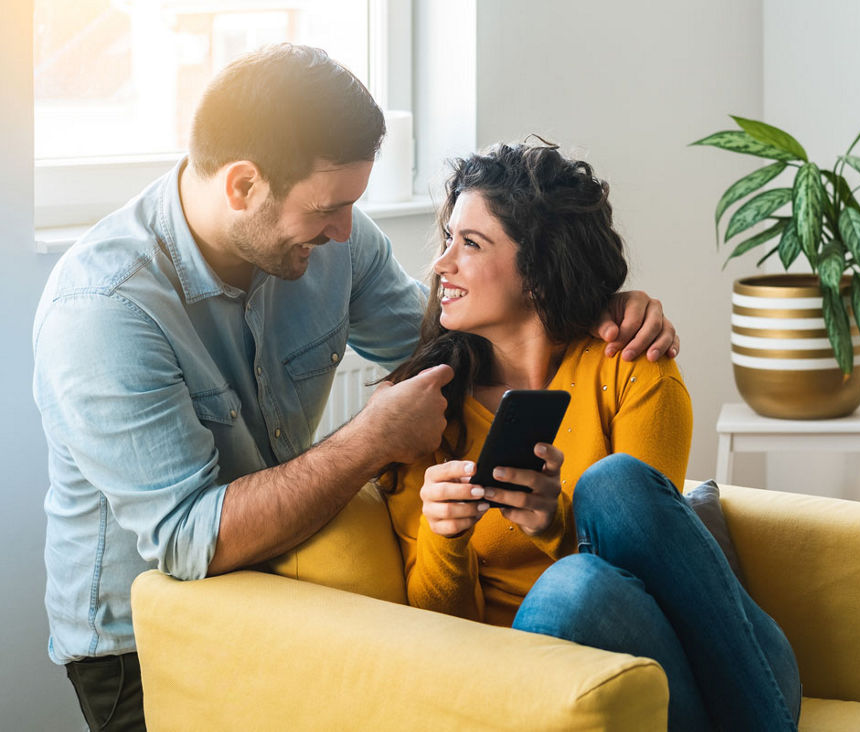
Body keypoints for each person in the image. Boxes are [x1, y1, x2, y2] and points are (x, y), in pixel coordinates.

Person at [33, 44, 677, 731]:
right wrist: (371, 438)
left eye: (352, 205)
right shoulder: (104, 311)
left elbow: (452, 351)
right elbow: (189, 540)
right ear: (243, 187)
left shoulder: (332, 240)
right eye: (328, 209)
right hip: (141, 641)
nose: (345, 231)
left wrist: (592, 305)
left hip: (285, 591)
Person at [381, 143, 801, 730]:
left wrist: (554, 524)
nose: (440, 264)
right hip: (538, 673)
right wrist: (445, 535)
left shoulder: (629, 364)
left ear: (538, 271)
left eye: (470, 244)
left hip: (701, 657)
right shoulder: (424, 411)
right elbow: (441, 632)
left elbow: (649, 557)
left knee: (615, 485)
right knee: (573, 589)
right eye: (448, 239)